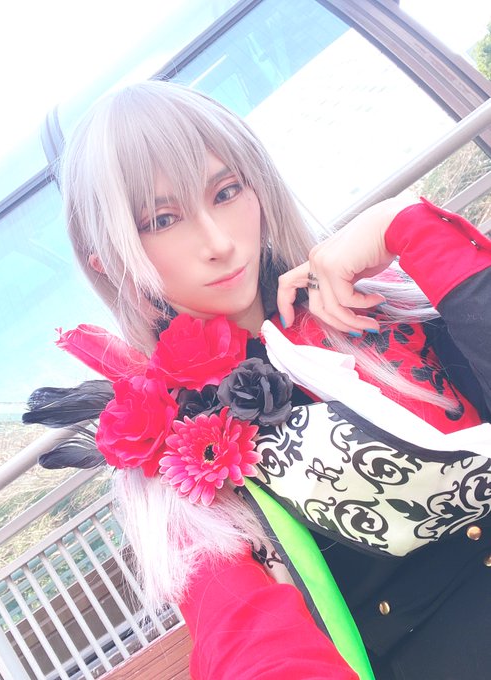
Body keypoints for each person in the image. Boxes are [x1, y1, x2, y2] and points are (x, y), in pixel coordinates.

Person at [26, 80, 491, 679]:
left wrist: (411, 229)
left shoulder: (376, 301)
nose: (218, 242)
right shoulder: (170, 455)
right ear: (111, 261)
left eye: (226, 192)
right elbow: (248, 642)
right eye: (162, 220)